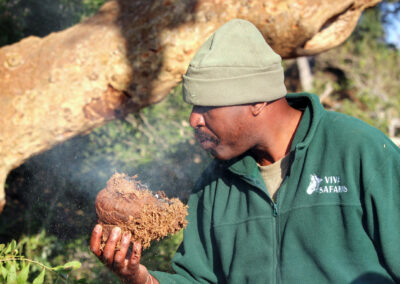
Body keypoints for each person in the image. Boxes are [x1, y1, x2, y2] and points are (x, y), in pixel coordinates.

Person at [90, 19, 400, 283]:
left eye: (207, 105)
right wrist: (140, 278)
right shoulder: (214, 184)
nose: (193, 119)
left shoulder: (360, 152)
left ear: (258, 100)